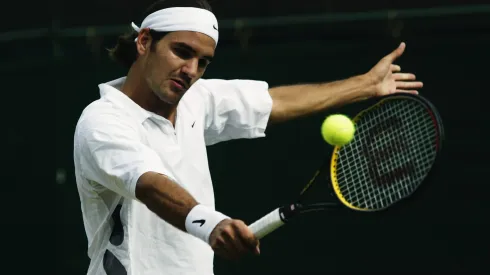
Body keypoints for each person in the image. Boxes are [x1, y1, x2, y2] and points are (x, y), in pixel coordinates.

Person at [73, 0, 423, 274]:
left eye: (203, 62)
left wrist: (366, 85)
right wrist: (212, 224)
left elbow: (275, 101)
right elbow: (150, 183)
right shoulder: (103, 121)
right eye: (181, 51)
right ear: (145, 41)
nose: (191, 70)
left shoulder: (196, 101)